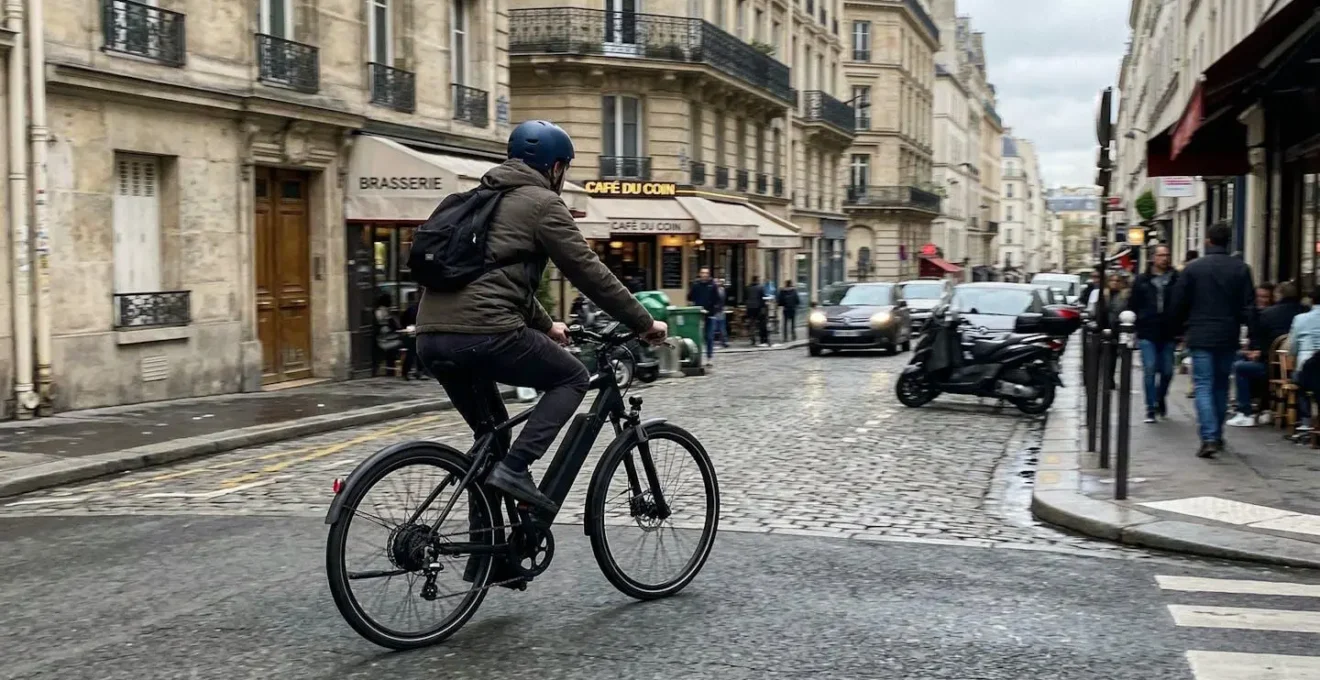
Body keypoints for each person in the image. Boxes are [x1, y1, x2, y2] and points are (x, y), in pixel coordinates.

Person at [416, 120, 667, 514]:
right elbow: (589, 271)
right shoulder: (543, 203)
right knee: (572, 376)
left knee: (489, 447)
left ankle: (491, 558)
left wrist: (547, 326)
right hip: (485, 332)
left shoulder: (480, 197)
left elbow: (494, 278)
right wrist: (644, 322)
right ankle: (517, 469)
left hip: (431, 336)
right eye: (564, 168)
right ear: (555, 168)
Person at [1169, 221, 1257, 458]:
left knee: (1203, 386)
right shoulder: (1241, 269)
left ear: (1208, 240)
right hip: (1228, 335)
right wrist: (1254, 336)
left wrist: (1176, 331)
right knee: (1220, 386)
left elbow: (1178, 303)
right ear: (1228, 241)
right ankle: (1216, 434)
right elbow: (1249, 307)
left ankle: (1209, 436)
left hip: (1200, 334)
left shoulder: (1193, 269)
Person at [1227, 281, 1306, 427]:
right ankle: (1260, 406)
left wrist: (1257, 353)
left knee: (1240, 366)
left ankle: (1245, 411)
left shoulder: (1268, 314)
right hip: (1299, 364)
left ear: (1277, 296)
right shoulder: (1305, 312)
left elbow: (1264, 347)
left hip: (1274, 367)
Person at [1126, 245, 1179, 423]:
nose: (1165, 258)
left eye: (1167, 255)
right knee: (1149, 369)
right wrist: (1134, 324)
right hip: (1147, 331)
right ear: (1152, 258)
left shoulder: (1176, 278)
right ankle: (1150, 408)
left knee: (1167, 371)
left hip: (1169, 331)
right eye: (1161, 255)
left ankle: (1159, 397)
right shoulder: (1142, 280)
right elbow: (1132, 304)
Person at [1288, 290, 1320, 432]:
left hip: (1307, 366)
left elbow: (1293, 347)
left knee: (1299, 379)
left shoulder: (1300, 319)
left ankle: (1306, 421)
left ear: (1311, 300)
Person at [689, 267, 721, 365]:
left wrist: (713, 310)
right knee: (697, 337)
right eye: (702, 273)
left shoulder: (713, 285)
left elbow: (717, 299)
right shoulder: (696, 285)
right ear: (700, 274)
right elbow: (690, 297)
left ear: (708, 274)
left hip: (709, 314)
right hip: (698, 315)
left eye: (706, 273)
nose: (704, 275)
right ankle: (697, 358)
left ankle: (709, 357)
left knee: (709, 337)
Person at [374, 294, 403, 377]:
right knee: (403, 343)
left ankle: (392, 368)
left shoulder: (382, 311)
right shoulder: (383, 312)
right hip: (385, 340)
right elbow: (392, 326)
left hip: (386, 338)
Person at [745, 276, 769, 346]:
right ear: (757, 280)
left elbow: (746, 298)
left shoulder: (748, 288)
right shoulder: (760, 287)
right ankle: (762, 340)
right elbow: (763, 297)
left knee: (752, 323)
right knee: (761, 324)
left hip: (750, 308)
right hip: (758, 308)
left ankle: (753, 339)